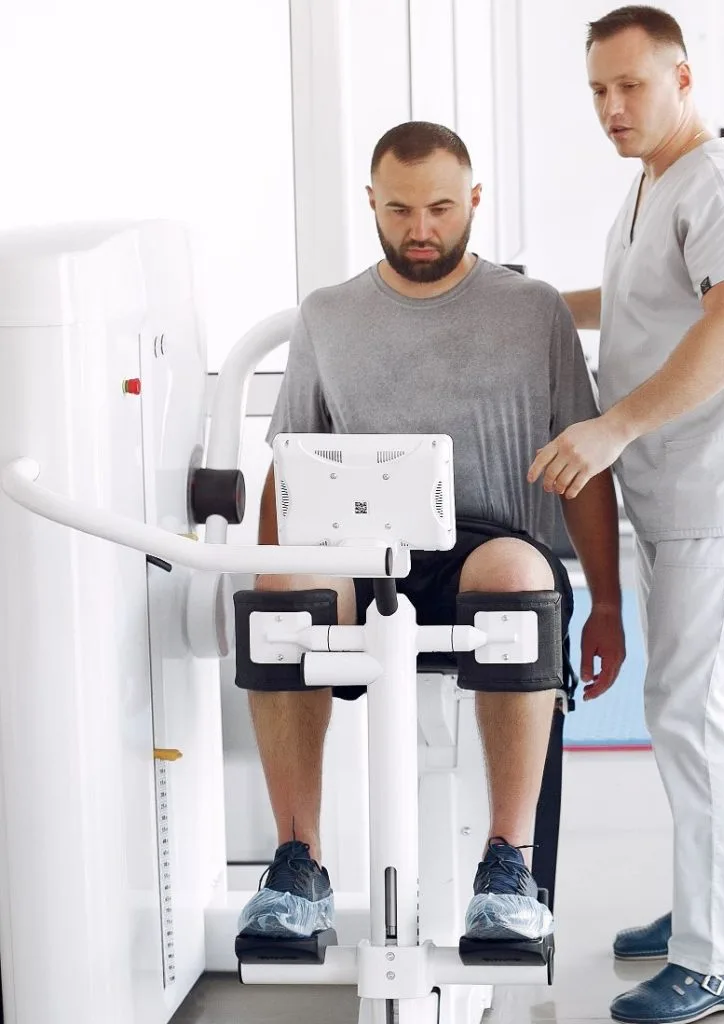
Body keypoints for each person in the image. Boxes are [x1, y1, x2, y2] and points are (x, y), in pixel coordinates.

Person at [236, 120, 626, 949]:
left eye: (442, 209)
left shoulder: (534, 311)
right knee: (279, 592)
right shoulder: (329, 315)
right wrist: (267, 568)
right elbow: (287, 464)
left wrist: (608, 605)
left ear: (474, 202)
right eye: (402, 209)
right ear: (371, 203)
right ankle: (296, 862)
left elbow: (586, 467)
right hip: (355, 548)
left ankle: (507, 863)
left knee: (518, 578)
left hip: (488, 547)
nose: (421, 230)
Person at [528, 7, 724, 1022]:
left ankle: (714, 958)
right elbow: (644, 298)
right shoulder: (655, 181)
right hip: (674, 493)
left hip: (719, 492)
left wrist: (611, 428)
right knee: (688, 711)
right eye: (597, 90)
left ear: (681, 79)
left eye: (630, 86)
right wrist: (531, 304)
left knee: (701, 715)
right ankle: (718, 911)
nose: (611, 107)